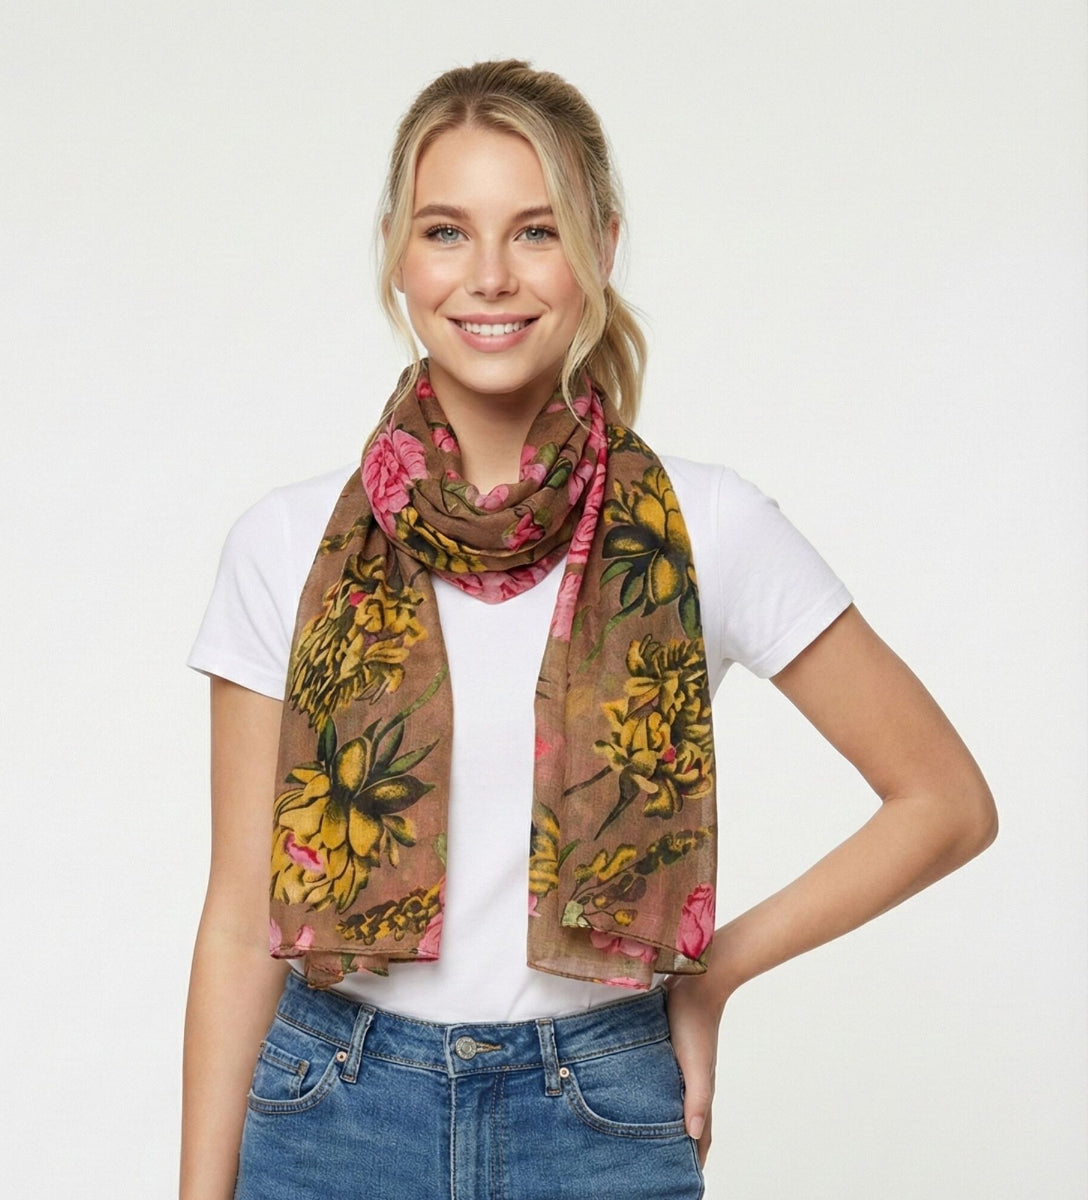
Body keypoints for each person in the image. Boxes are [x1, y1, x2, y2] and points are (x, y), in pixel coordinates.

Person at [180, 59, 997, 1200]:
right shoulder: (283, 544)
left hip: (597, 1115)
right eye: (447, 232)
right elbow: (236, 918)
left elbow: (946, 804)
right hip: (332, 1114)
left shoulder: (706, 527)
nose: (491, 277)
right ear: (397, 258)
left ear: (601, 248)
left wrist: (710, 978)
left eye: (536, 231)